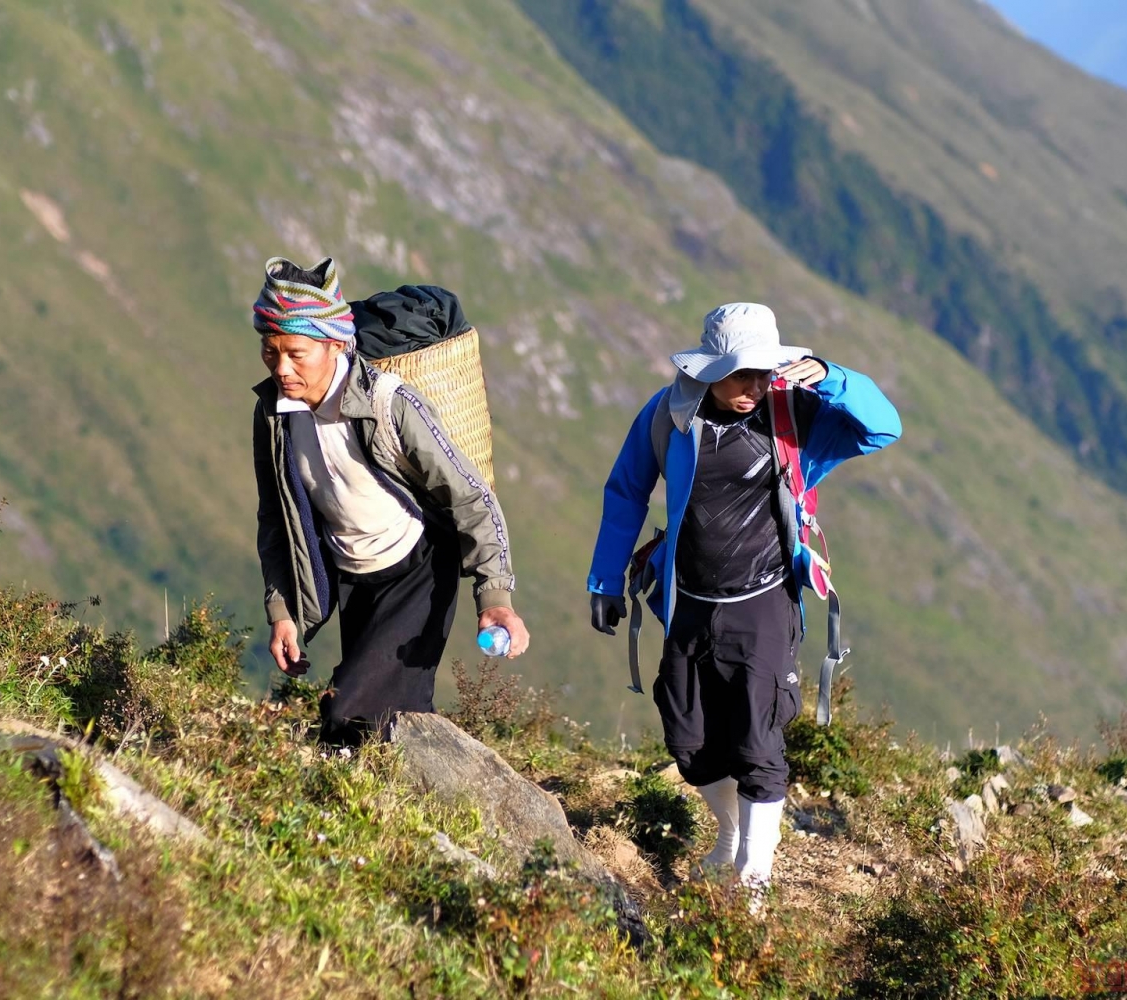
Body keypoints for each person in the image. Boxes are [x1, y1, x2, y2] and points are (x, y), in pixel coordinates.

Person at [585, 302, 900, 900]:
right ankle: (729, 836)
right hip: (688, 601)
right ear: (708, 370)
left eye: (764, 372)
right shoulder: (668, 415)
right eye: (741, 375)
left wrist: (831, 377)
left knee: (759, 742)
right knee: (688, 737)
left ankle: (753, 880)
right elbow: (626, 491)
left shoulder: (795, 415)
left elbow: (883, 427)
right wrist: (604, 582)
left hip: (763, 600)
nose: (755, 387)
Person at [250, 255, 530, 745]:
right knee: (386, 719)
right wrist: (284, 613)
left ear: (335, 345)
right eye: (271, 352)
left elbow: (470, 497)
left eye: (297, 353)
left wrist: (495, 597)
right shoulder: (273, 415)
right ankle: (424, 809)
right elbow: (277, 518)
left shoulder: (389, 404)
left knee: (349, 717)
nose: (282, 367)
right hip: (352, 576)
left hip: (418, 570)